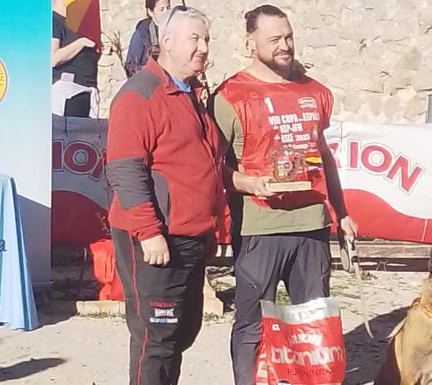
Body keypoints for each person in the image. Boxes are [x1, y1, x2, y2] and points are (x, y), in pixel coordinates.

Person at [210, 5, 358, 385]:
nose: (285, 46)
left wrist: (340, 211)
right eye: (274, 39)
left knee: (313, 322)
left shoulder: (316, 92)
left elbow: (322, 157)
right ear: (251, 42)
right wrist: (248, 183)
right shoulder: (230, 96)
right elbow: (211, 166)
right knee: (252, 323)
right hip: (260, 226)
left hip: (311, 224)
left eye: (288, 36)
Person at [106, 6, 220, 385]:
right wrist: (149, 231)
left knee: (181, 333)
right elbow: (124, 168)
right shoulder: (140, 95)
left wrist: (211, 229)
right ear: (166, 42)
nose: (203, 47)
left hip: (189, 237)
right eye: (195, 39)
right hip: (156, 239)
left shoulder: (190, 93)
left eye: (206, 39)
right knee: (156, 337)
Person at [51, 0, 99, 117]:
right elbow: (53, 59)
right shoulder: (54, 20)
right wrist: (81, 43)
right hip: (68, 91)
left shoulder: (82, 19)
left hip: (87, 90)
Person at [124, 0, 170, 77]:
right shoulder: (142, 34)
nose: (166, 13)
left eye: (168, 8)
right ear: (150, 12)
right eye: (161, 9)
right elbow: (131, 66)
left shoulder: (175, 30)